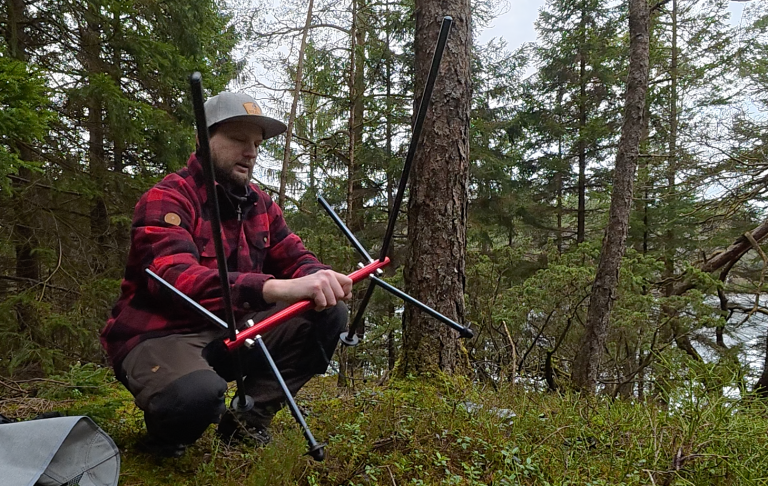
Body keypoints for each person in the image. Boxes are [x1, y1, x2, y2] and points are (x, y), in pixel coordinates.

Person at [100, 91, 352, 458]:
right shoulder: (168, 198)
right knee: (195, 397)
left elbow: (296, 258)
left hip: (232, 331)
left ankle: (246, 424)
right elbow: (175, 280)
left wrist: (321, 277)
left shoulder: (261, 205)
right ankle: (167, 435)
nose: (250, 152)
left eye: (256, 143)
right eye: (238, 139)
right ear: (204, 140)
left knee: (327, 313)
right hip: (161, 333)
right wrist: (271, 286)